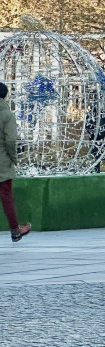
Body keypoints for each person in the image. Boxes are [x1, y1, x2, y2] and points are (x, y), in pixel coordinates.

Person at [0, 83, 30, 242]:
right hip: (2, 161)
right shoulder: (6, 115)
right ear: (5, 96)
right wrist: (14, 158)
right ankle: (15, 230)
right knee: (6, 196)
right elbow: (11, 141)